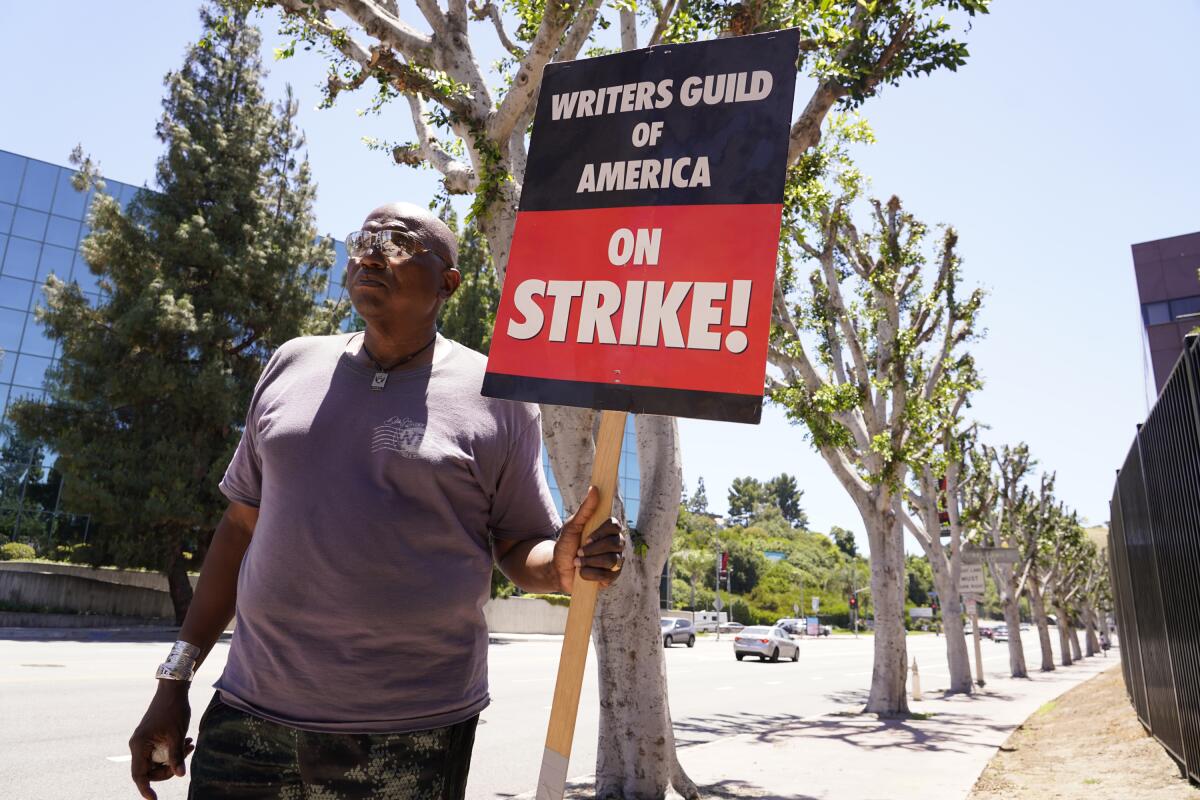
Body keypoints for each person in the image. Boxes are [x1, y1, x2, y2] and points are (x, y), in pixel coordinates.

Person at [128, 202, 626, 800]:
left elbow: (520, 546)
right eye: (363, 239)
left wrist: (564, 568)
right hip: (249, 721)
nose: (371, 252)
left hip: (410, 737)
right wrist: (175, 679)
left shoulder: (500, 397)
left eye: (398, 242)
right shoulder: (291, 363)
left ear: (448, 282)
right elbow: (239, 527)